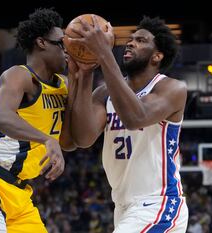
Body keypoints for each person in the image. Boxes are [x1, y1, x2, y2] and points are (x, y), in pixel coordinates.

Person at [0, 8, 77, 233]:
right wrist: (47, 140)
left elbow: (75, 137)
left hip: (20, 196)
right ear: (42, 43)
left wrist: (84, 72)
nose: (67, 51)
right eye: (62, 44)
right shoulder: (19, 75)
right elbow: (0, 117)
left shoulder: (64, 85)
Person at [68, 16, 189, 232]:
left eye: (141, 41)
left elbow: (136, 118)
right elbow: (83, 138)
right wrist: (86, 72)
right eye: (130, 39)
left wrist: (104, 53)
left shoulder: (171, 89)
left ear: (157, 56)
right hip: (123, 206)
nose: (131, 43)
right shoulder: (104, 92)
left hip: (159, 203)